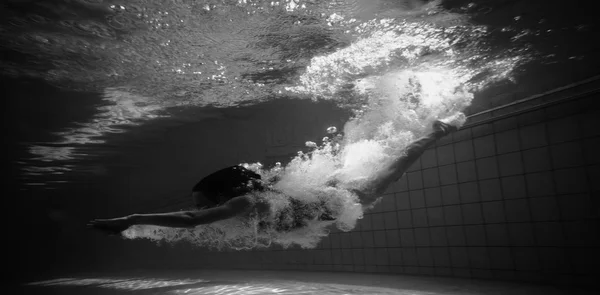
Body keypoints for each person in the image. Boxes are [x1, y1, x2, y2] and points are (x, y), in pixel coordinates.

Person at [88, 120, 457, 235]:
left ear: (221, 194)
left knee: (397, 166)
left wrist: (132, 220)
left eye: (202, 198)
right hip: (323, 200)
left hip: (344, 198)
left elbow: (191, 219)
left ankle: (435, 130)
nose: (196, 203)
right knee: (386, 169)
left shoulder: (245, 201)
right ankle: (427, 132)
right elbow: (189, 213)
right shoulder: (237, 204)